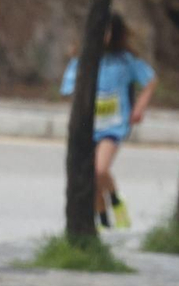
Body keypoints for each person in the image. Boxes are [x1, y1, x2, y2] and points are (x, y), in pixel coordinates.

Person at [59, 14, 156, 229]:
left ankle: (116, 201)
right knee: (91, 178)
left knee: (99, 170)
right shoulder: (81, 60)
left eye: (108, 30)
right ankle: (102, 219)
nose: (103, 35)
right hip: (87, 126)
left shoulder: (124, 60)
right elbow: (68, 90)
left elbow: (150, 80)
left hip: (113, 125)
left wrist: (139, 108)